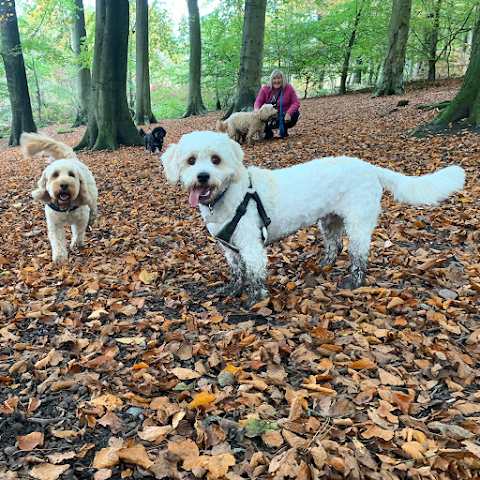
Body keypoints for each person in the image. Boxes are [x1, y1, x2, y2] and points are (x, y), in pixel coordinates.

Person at [254, 68, 300, 139]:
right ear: (271, 80)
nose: (276, 81)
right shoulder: (265, 89)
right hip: (270, 115)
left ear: (282, 79)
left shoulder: (288, 87)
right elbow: (258, 101)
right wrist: (256, 109)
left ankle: (284, 130)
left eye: (279, 78)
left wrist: (289, 113)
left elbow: (296, 102)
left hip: (283, 114)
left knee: (296, 113)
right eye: (274, 78)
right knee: (258, 116)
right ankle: (268, 132)